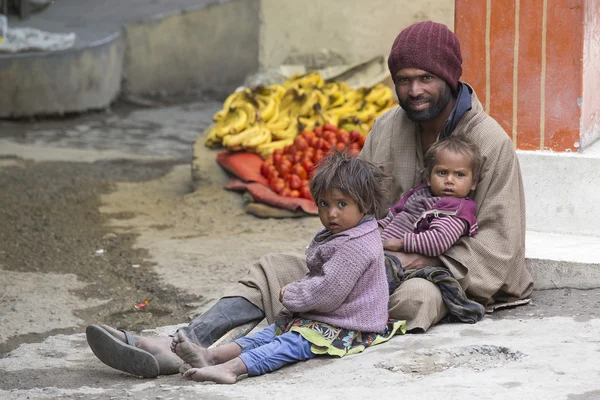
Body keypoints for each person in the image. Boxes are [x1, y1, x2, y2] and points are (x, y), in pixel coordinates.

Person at [86, 20, 534, 379]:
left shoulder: (490, 142)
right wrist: (348, 253)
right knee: (277, 269)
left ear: (450, 78)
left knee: (414, 297)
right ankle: (185, 343)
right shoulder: (386, 128)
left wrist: (411, 261)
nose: (414, 90)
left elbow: (501, 248)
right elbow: (358, 208)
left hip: (444, 278)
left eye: (426, 79)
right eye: (403, 80)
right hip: (369, 261)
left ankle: (245, 352)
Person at [168, 150, 404, 384]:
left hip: (352, 326)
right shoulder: (348, 232)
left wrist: (291, 293)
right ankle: (212, 356)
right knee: (272, 332)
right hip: (335, 316)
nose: (332, 213)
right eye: (324, 204)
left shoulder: (355, 246)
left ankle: (232, 369)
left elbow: (328, 292)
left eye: (342, 204)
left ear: (364, 204)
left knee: (292, 342)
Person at [380, 134, 481, 256]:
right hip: (381, 248)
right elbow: (394, 215)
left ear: (473, 183)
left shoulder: (457, 210)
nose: (449, 180)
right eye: (442, 172)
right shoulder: (420, 194)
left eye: (459, 175)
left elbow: (439, 241)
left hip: (406, 263)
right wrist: (377, 229)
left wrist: (402, 243)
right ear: (428, 178)